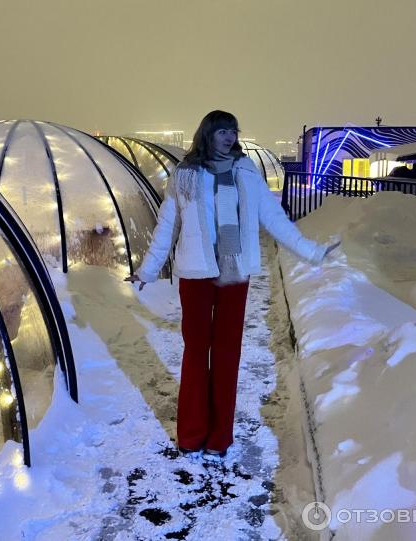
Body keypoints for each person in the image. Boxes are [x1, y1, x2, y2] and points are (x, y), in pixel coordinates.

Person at [125, 110, 339, 460]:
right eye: (222, 131)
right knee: (196, 352)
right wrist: (147, 271)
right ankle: (192, 434)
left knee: (226, 354)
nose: (228, 137)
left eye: (232, 132)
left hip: (234, 273)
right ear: (207, 133)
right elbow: (168, 225)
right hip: (195, 273)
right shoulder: (186, 175)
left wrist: (311, 251)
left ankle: (219, 437)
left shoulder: (245, 171)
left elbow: (273, 217)